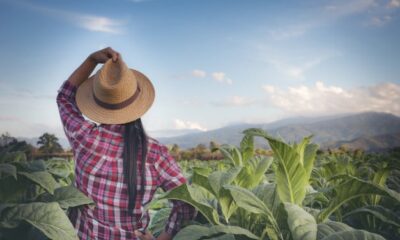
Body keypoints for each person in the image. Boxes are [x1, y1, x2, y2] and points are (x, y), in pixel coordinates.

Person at [56, 47, 196, 240]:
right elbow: (187, 203)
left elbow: (64, 97)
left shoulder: (84, 137)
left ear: (97, 102)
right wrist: (164, 237)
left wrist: (91, 60)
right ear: (137, 103)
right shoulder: (155, 153)